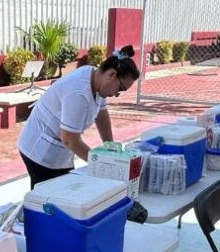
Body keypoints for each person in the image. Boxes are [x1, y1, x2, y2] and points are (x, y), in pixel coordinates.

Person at [17, 49, 140, 187]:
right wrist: (100, 163)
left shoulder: (95, 78)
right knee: (48, 196)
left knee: (67, 188)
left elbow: (101, 114)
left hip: (61, 149)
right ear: (111, 74)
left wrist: (109, 147)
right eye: (121, 88)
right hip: (40, 148)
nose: (117, 94)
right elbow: (70, 140)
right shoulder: (78, 92)